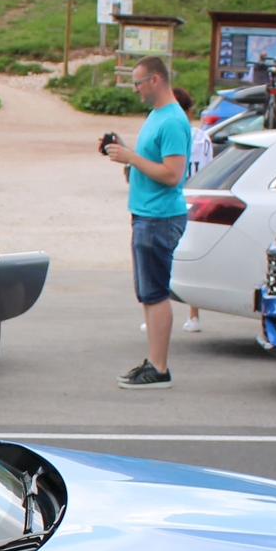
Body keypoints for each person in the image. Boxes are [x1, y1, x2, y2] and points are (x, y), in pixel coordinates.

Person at [101, 55, 189, 388]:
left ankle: (160, 367)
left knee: (155, 293)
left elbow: (172, 174)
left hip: (159, 216)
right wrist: (125, 153)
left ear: (154, 80)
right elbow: (152, 163)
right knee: (149, 294)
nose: (135, 89)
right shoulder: (157, 116)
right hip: (147, 214)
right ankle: (154, 361)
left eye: (137, 83)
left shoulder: (171, 122)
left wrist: (131, 157)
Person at [173, 85, 212, 332]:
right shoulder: (203, 138)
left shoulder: (170, 133)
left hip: (177, 199)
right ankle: (193, 315)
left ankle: (162, 309)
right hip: (194, 199)